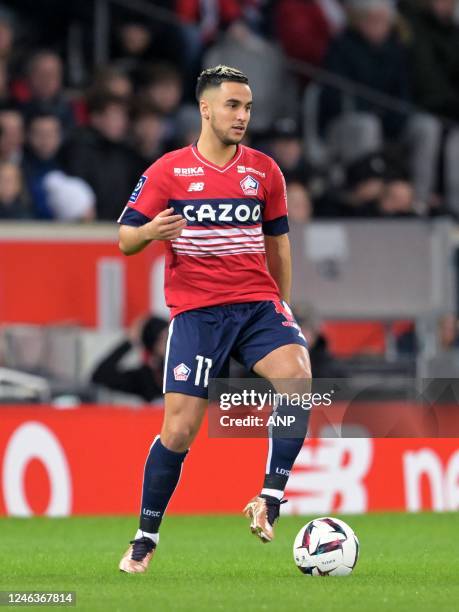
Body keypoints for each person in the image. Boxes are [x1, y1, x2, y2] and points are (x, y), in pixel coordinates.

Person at [117, 65, 311, 573]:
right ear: (206, 108)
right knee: (179, 432)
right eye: (232, 105)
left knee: (297, 377)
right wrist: (151, 231)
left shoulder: (264, 171)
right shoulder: (168, 171)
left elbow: (278, 245)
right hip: (198, 313)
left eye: (247, 107)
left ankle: (270, 497)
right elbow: (126, 238)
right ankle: (145, 537)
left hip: (256, 306)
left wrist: (282, 305)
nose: (242, 115)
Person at [91, 315, 168, 402]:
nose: (168, 342)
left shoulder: (181, 366)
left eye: (170, 336)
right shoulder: (146, 377)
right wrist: (129, 341)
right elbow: (101, 375)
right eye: (162, 339)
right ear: (153, 344)